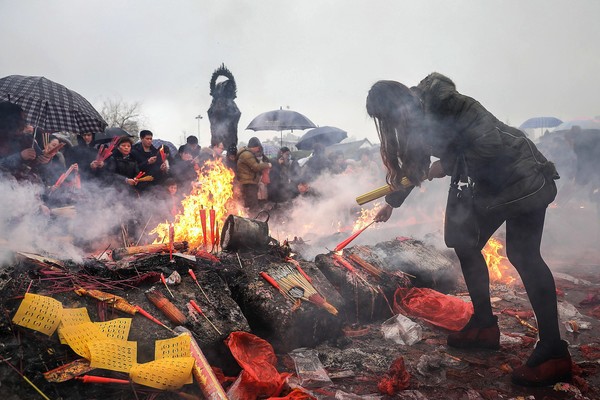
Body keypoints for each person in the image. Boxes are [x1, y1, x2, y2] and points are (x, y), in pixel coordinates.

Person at [367, 74, 570, 387]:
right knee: (464, 243)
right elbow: (417, 167)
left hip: (521, 175)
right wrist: (392, 202)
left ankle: (554, 352)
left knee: (523, 254)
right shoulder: (415, 120)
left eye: (387, 116)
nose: (389, 125)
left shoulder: (449, 104)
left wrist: (446, 165)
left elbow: (489, 144)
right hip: (492, 186)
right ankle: (485, 325)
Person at [236, 137, 271, 214]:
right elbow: (256, 167)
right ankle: (253, 221)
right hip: (248, 184)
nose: (258, 150)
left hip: (248, 183)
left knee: (250, 205)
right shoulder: (247, 155)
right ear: (254, 146)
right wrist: (267, 164)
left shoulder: (247, 153)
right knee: (253, 206)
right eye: (258, 148)